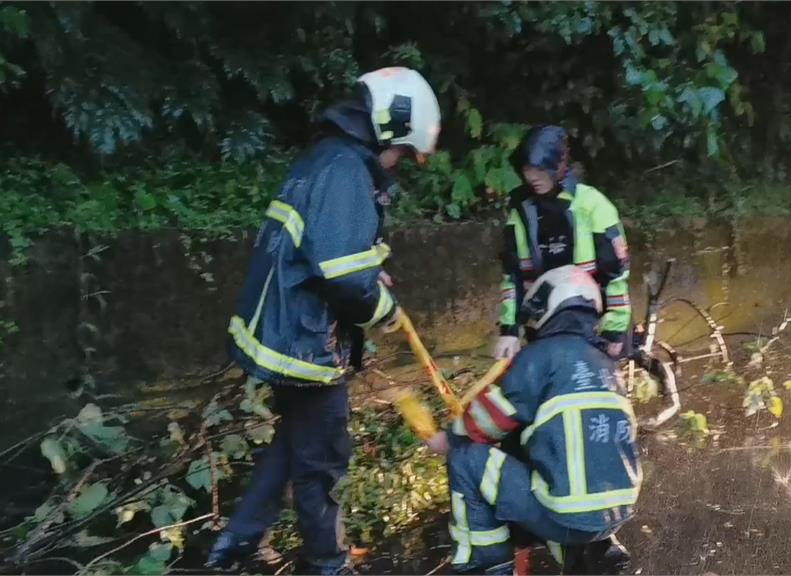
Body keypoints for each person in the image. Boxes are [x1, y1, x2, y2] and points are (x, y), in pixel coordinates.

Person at [205, 67, 441, 574]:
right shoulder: (346, 170)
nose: (398, 165)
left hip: (286, 330)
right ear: (386, 128)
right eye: (401, 152)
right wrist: (386, 309)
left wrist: (371, 273)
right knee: (323, 458)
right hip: (304, 341)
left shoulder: (327, 159)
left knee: (295, 441)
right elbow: (343, 277)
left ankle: (237, 544)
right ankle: (326, 563)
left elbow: (339, 252)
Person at [426, 265, 639, 574]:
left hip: (564, 515)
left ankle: (486, 566)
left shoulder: (541, 355)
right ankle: (586, 554)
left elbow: (492, 418)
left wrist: (450, 437)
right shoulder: (606, 365)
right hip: (614, 516)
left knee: (466, 458)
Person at [493, 126, 632, 361]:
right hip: (543, 321)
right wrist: (509, 330)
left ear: (558, 166)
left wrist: (614, 330)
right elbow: (513, 277)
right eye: (527, 169)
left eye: (539, 168)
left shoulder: (594, 206)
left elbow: (615, 274)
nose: (532, 177)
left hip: (593, 322)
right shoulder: (521, 211)